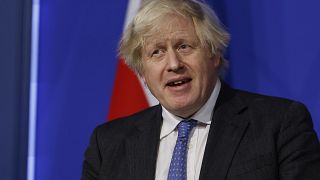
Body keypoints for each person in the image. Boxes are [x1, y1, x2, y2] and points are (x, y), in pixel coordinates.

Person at [82, 0, 320, 179]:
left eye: (184, 46)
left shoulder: (279, 124)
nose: (174, 64)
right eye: (157, 52)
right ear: (142, 71)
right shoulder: (108, 144)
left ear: (214, 53)